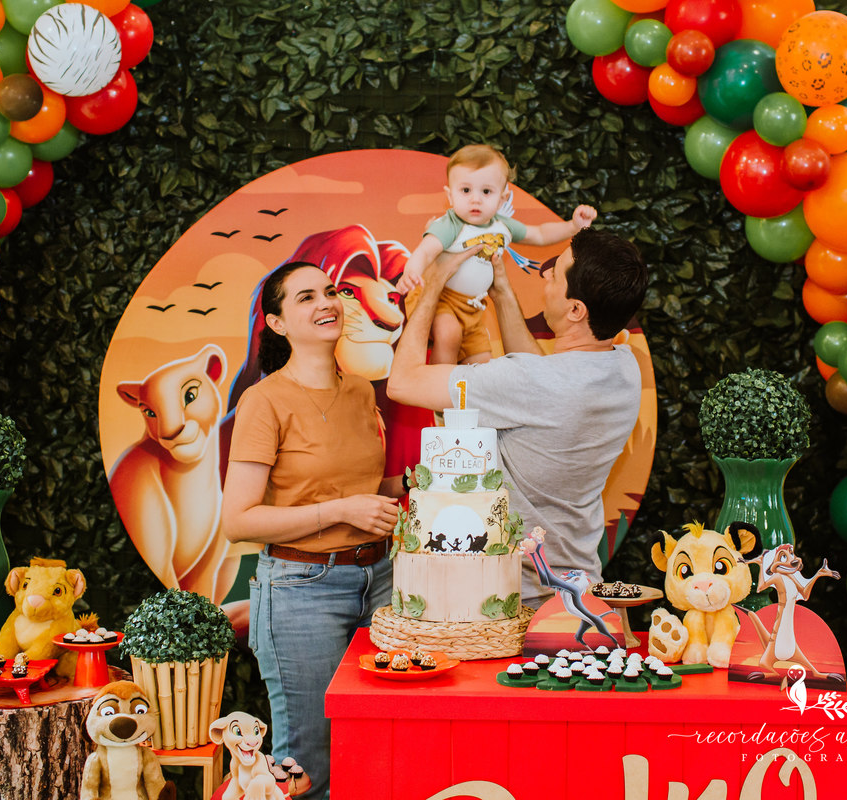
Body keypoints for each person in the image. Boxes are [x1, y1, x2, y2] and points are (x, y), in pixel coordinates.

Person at [387, 226, 648, 608]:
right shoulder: (624, 369)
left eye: (555, 272)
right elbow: (547, 376)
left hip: (515, 604)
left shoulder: (527, 382)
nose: (544, 274)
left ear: (576, 310)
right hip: (580, 594)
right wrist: (502, 291)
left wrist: (434, 283)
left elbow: (403, 383)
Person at [221, 261, 403, 800]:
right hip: (301, 591)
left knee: (380, 744)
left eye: (330, 292)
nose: (327, 303)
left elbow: (368, 487)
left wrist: (433, 483)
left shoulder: (362, 392)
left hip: (381, 581)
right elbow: (238, 521)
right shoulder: (264, 401)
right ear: (276, 323)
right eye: (305, 298)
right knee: (309, 760)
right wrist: (342, 510)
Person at [394, 144, 598, 366]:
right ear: (450, 196)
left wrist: (572, 226)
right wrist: (411, 272)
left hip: (474, 307)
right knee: (449, 334)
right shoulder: (450, 224)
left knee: (482, 358)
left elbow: (539, 234)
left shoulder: (503, 226)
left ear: (502, 199)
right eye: (465, 190)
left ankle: (470, 398)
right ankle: (438, 393)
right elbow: (425, 251)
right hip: (442, 298)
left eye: (486, 191)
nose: (475, 199)